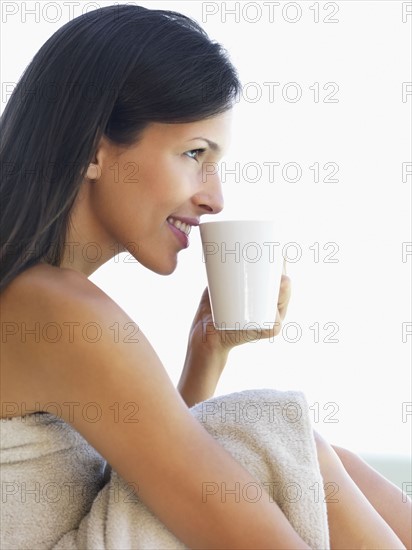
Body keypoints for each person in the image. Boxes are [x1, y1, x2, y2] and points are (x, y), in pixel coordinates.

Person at [0, 4, 410, 549]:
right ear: (96, 150)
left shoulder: (36, 300)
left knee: (293, 450)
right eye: (195, 154)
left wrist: (205, 357)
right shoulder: (56, 309)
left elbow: (133, 486)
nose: (214, 199)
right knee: (271, 436)